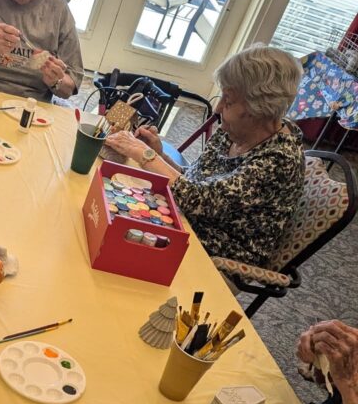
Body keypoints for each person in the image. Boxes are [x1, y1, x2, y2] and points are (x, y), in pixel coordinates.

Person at [106, 43, 305, 268]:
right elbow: (194, 179)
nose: (218, 109)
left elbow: (199, 201)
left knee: (110, 243)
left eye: (228, 101)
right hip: (185, 221)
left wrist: (147, 155)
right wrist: (160, 154)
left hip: (215, 258)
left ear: (259, 108)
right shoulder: (235, 130)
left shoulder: (278, 161)